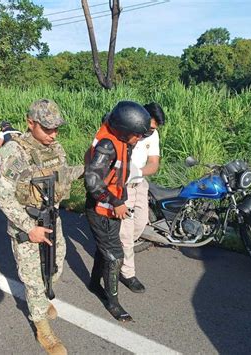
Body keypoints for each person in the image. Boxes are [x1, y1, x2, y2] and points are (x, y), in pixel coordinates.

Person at [0, 99, 83, 355]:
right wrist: (28, 227)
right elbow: (4, 196)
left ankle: (43, 300)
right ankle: (42, 327)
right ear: (30, 123)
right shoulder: (12, 152)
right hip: (28, 226)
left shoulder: (54, 147)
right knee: (33, 279)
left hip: (52, 219)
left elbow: (62, 174)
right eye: (47, 129)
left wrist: (88, 170)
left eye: (56, 129)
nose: (53, 134)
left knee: (55, 266)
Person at [84, 100, 151, 322]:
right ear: (123, 130)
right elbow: (93, 181)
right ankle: (112, 303)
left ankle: (94, 284)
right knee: (115, 256)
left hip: (111, 207)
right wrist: (116, 201)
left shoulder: (122, 139)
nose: (140, 138)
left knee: (105, 248)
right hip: (101, 208)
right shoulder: (108, 145)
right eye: (137, 135)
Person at [118, 102, 166, 293]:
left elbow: (154, 164)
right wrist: (124, 175)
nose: (150, 132)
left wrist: (137, 171)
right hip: (123, 186)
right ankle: (127, 273)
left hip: (140, 183)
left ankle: (116, 249)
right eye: (149, 128)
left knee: (141, 222)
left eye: (153, 129)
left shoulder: (152, 134)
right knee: (126, 233)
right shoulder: (127, 129)